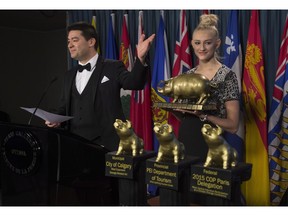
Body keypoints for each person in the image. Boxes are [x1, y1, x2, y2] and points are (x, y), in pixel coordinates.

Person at [45, 22, 155, 151]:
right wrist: (55, 119)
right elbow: (63, 108)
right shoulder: (69, 75)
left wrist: (140, 59)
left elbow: (134, 83)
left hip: (106, 145)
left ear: (91, 42)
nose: (70, 45)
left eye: (75, 40)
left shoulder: (113, 67)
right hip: (74, 144)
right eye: (68, 41)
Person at [172, 13, 240, 205]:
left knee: (209, 200)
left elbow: (233, 125)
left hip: (211, 146)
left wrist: (204, 115)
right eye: (197, 43)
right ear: (192, 44)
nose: (202, 48)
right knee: (186, 198)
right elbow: (184, 118)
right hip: (186, 141)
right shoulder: (188, 74)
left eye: (207, 43)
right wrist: (174, 109)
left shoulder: (227, 76)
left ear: (217, 44)